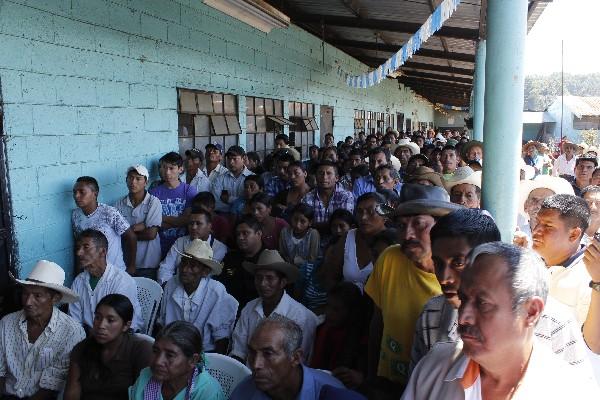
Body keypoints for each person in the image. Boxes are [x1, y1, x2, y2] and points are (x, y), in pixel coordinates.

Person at [402, 242, 599, 399]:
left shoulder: (573, 391)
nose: (463, 317)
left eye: (483, 303)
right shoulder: (434, 366)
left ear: (531, 312)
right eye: (464, 299)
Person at [411, 209, 592, 375]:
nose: (444, 278)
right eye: (438, 264)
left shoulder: (553, 322)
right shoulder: (432, 314)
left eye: (458, 263)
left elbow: (581, 387)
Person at [365, 185, 462, 396]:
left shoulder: (457, 276)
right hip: (389, 380)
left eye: (419, 224)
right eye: (401, 226)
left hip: (433, 388)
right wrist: (372, 376)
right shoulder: (389, 258)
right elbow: (377, 321)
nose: (408, 234)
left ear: (441, 227)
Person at [0, 260, 85, 399]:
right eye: (25, 294)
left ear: (55, 298)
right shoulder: (6, 323)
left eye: (37, 296)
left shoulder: (71, 331)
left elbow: (52, 385)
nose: (28, 302)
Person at [230, 315, 362, 400]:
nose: (256, 364)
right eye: (252, 352)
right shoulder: (245, 389)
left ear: (296, 357)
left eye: (268, 354)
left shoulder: (333, 394)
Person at [229, 250, 318, 363]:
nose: (263, 283)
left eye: (270, 278)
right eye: (259, 277)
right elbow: (238, 351)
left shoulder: (301, 316)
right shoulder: (249, 308)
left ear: (282, 282)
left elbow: (298, 362)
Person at [64, 294, 152, 400]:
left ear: (126, 325)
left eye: (110, 320)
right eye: (98, 317)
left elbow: (143, 394)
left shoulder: (141, 350)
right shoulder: (82, 348)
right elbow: (72, 392)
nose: (101, 325)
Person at [158, 240, 238, 354]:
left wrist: (212, 365)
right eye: (183, 262)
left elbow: (221, 338)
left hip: (204, 353)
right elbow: (162, 323)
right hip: (172, 348)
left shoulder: (216, 292)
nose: (185, 269)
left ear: (205, 272)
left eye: (193, 266)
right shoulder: (171, 284)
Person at [70, 229, 144, 332]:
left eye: (86, 247)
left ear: (102, 252)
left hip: (119, 338)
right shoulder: (78, 281)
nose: (79, 253)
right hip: (90, 338)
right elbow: (74, 322)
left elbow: (119, 326)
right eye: (78, 248)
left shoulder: (122, 281)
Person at [129, 321, 225, 400]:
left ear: (193, 360)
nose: (158, 361)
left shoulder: (208, 393)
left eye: (170, 355)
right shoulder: (146, 376)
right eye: (155, 351)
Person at [319, 193, 388, 292]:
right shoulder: (348, 237)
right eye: (360, 212)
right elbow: (331, 275)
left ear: (384, 215)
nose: (363, 217)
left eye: (371, 212)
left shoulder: (391, 243)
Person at [72, 176, 137, 274]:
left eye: (82, 192)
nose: (76, 196)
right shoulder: (75, 215)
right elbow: (79, 245)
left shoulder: (109, 213)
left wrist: (131, 265)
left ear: (95, 194)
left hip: (115, 271)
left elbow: (131, 237)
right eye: (75, 192)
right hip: (91, 273)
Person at [310, 283, 368, 391]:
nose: (329, 313)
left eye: (336, 309)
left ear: (351, 311)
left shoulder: (361, 341)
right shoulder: (321, 328)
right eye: (328, 306)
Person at [114, 165, 162, 280]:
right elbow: (116, 235)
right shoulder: (119, 204)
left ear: (146, 182)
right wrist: (140, 226)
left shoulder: (153, 202)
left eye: (138, 178)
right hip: (126, 262)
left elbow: (151, 234)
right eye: (130, 178)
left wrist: (128, 232)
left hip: (148, 264)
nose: (133, 182)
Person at [157, 208, 227, 285]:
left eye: (198, 223)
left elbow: (209, 276)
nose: (193, 227)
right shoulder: (180, 241)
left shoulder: (220, 249)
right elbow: (166, 267)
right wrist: (168, 286)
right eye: (191, 223)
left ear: (209, 226)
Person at [149, 152, 198, 259]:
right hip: (160, 246)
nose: (167, 172)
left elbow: (187, 220)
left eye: (171, 168)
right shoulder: (154, 193)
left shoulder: (189, 191)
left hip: (185, 246)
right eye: (164, 168)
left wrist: (161, 218)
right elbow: (153, 224)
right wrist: (179, 221)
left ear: (180, 169)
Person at [217, 215, 266, 308]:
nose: (240, 237)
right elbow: (220, 285)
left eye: (245, 233)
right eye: (238, 234)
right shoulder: (230, 257)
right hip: (229, 309)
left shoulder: (271, 259)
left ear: (259, 234)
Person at [302, 161, 354, 233]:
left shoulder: (346, 196)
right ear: (316, 177)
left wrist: (313, 225)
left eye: (329, 173)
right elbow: (303, 224)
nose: (324, 177)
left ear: (336, 178)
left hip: (339, 241)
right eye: (320, 173)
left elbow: (344, 225)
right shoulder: (308, 197)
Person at [211, 145, 254, 213]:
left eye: (234, 159)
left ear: (243, 158)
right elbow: (216, 203)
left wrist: (229, 199)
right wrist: (240, 205)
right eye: (229, 158)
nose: (231, 162)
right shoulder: (220, 179)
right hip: (224, 216)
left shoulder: (252, 178)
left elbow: (253, 203)